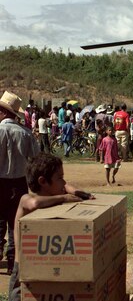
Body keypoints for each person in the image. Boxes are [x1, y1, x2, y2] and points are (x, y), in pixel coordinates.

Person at [9, 153, 93, 301]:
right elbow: (34, 203)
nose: (64, 182)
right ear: (43, 181)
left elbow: (66, 186)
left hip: (41, 270)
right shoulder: (26, 199)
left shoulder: (52, 192)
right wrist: (64, 197)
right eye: (59, 178)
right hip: (22, 271)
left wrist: (76, 192)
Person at [0, 91, 39, 276]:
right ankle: (12, 264)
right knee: (15, 224)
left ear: (3, 112)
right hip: (19, 184)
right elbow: (36, 161)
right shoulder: (26, 133)